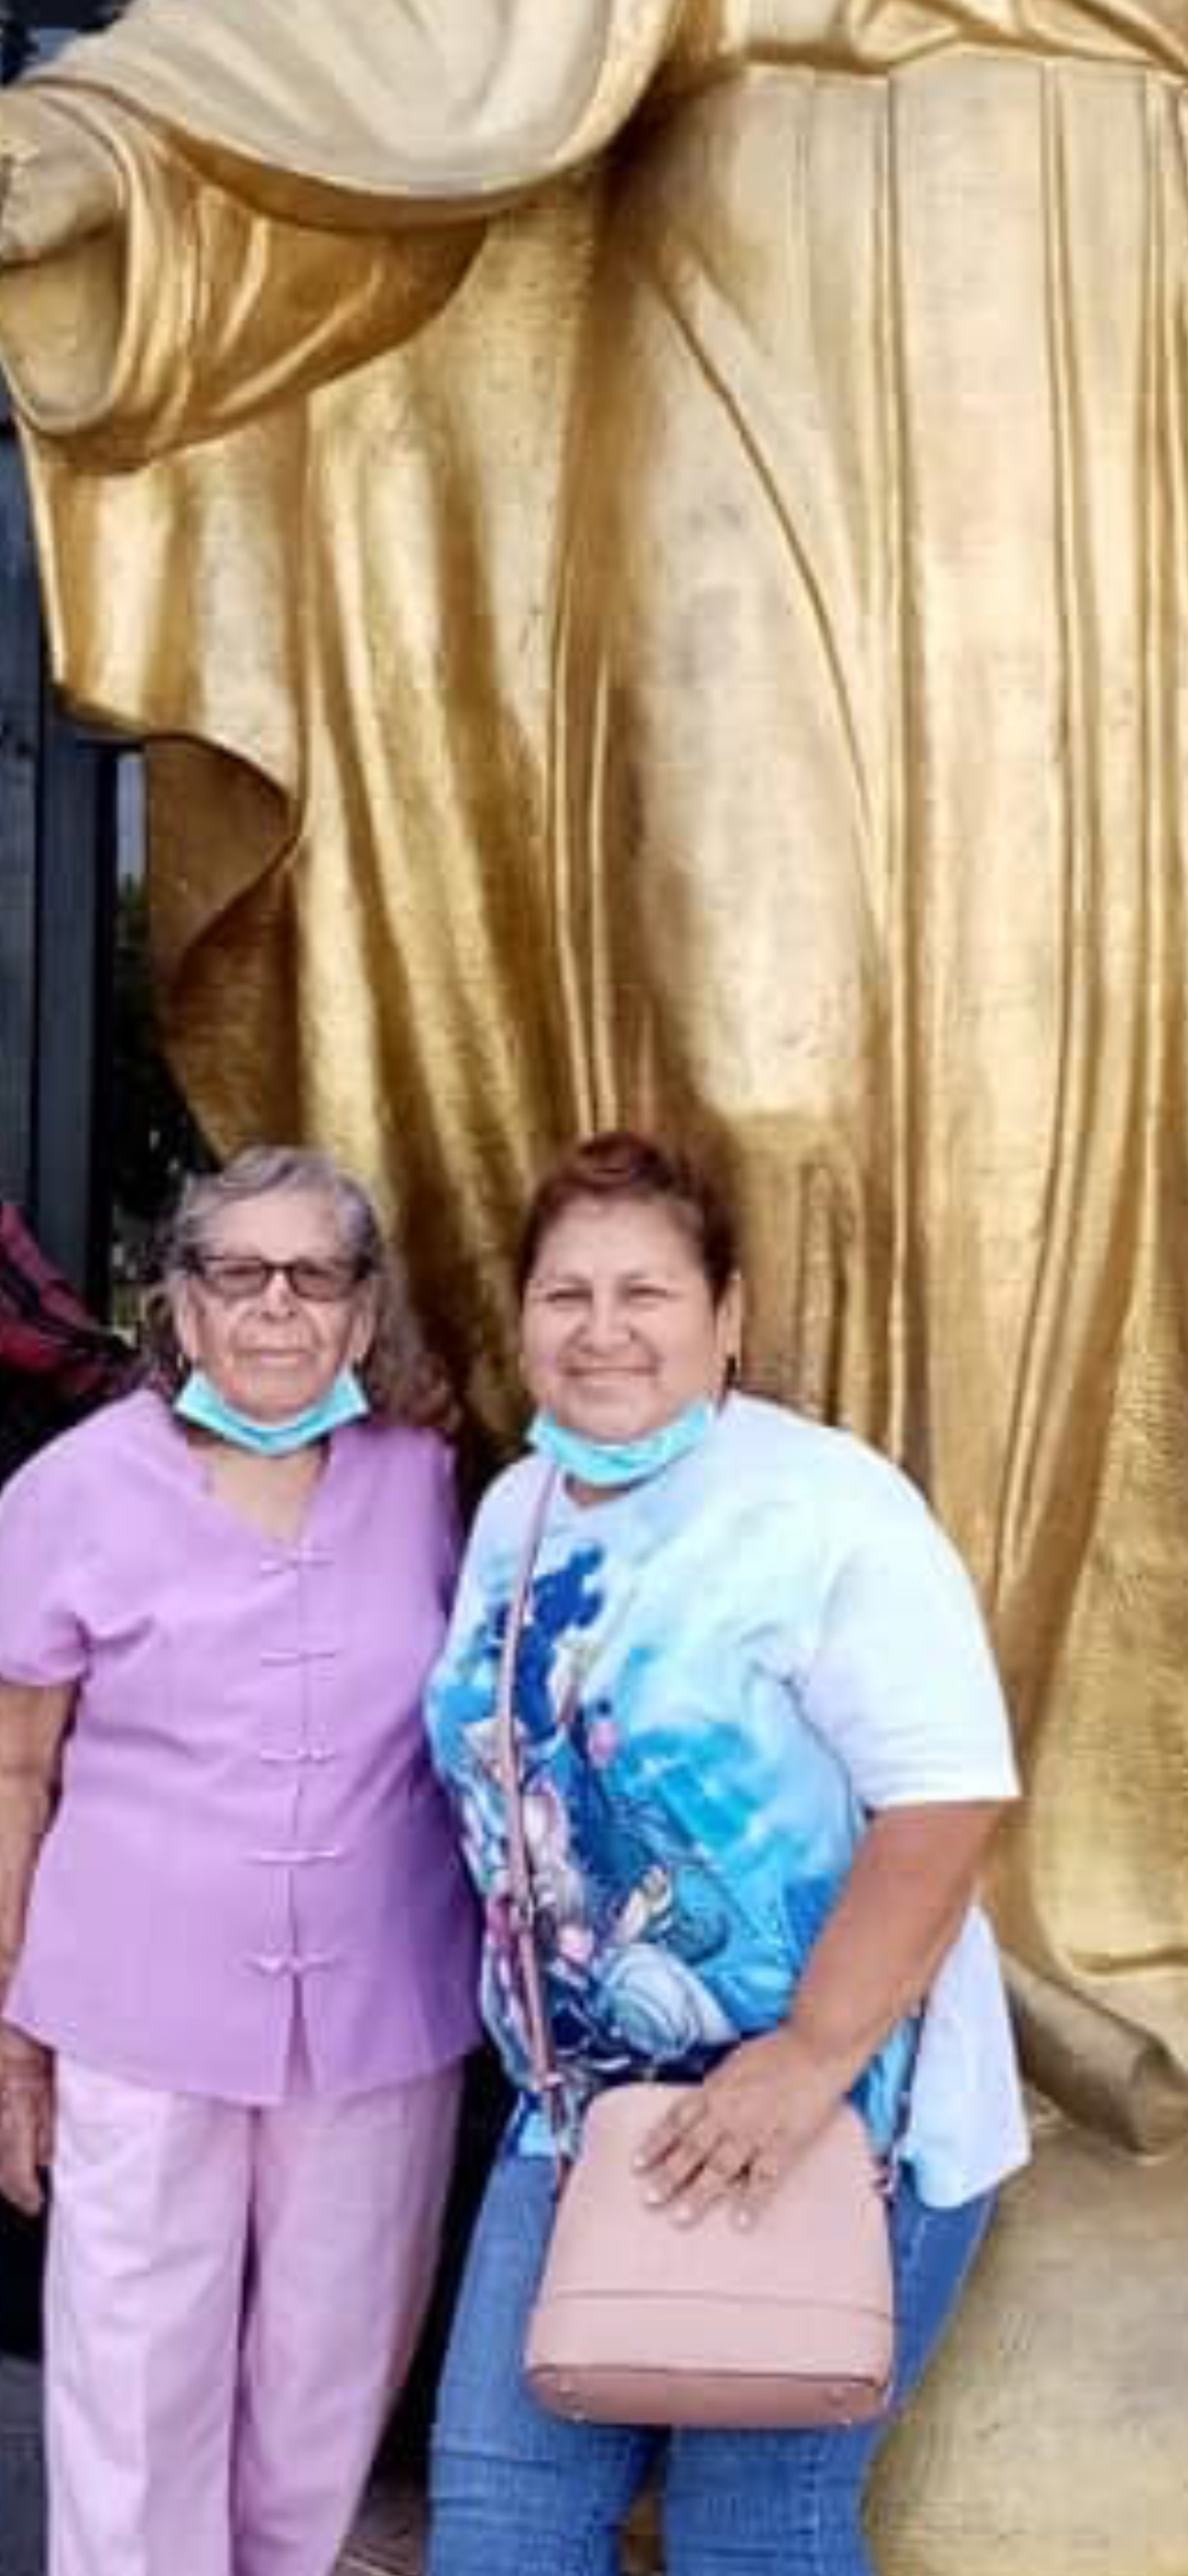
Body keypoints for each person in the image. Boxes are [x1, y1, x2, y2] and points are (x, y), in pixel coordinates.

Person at [423, 1130, 1028, 2576]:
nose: (603, 1330)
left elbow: (944, 1801)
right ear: (521, 1318)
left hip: (833, 2117)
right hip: (579, 2119)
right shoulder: (516, 1507)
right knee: (502, 2522)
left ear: (729, 1315)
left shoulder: (826, 1506)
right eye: (565, 1296)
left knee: (757, 2530)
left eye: (647, 1293)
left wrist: (806, 2058)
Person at [0, 1143, 478, 2576]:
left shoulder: (425, 1481)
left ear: (360, 1307)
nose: (277, 1306)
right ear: (181, 1306)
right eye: (236, 1272)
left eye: (315, 1274)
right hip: (135, 2016)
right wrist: (10, 2032)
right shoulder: (71, 1490)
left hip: (382, 2014)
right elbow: (14, 1767)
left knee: (327, 2392)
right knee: (134, 2397)